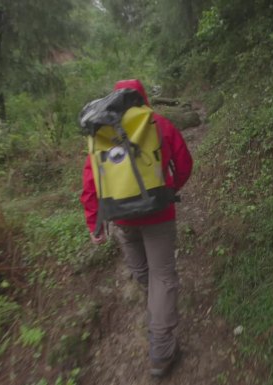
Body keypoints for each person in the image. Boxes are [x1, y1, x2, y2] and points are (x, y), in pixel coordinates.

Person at [80, 79, 193, 377]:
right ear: (141, 97)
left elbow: (91, 182)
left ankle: (153, 305)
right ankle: (162, 351)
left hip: (121, 218)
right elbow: (185, 163)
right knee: (163, 276)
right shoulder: (158, 123)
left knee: (143, 271)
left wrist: (96, 224)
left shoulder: (102, 132)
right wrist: (169, 189)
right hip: (159, 215)